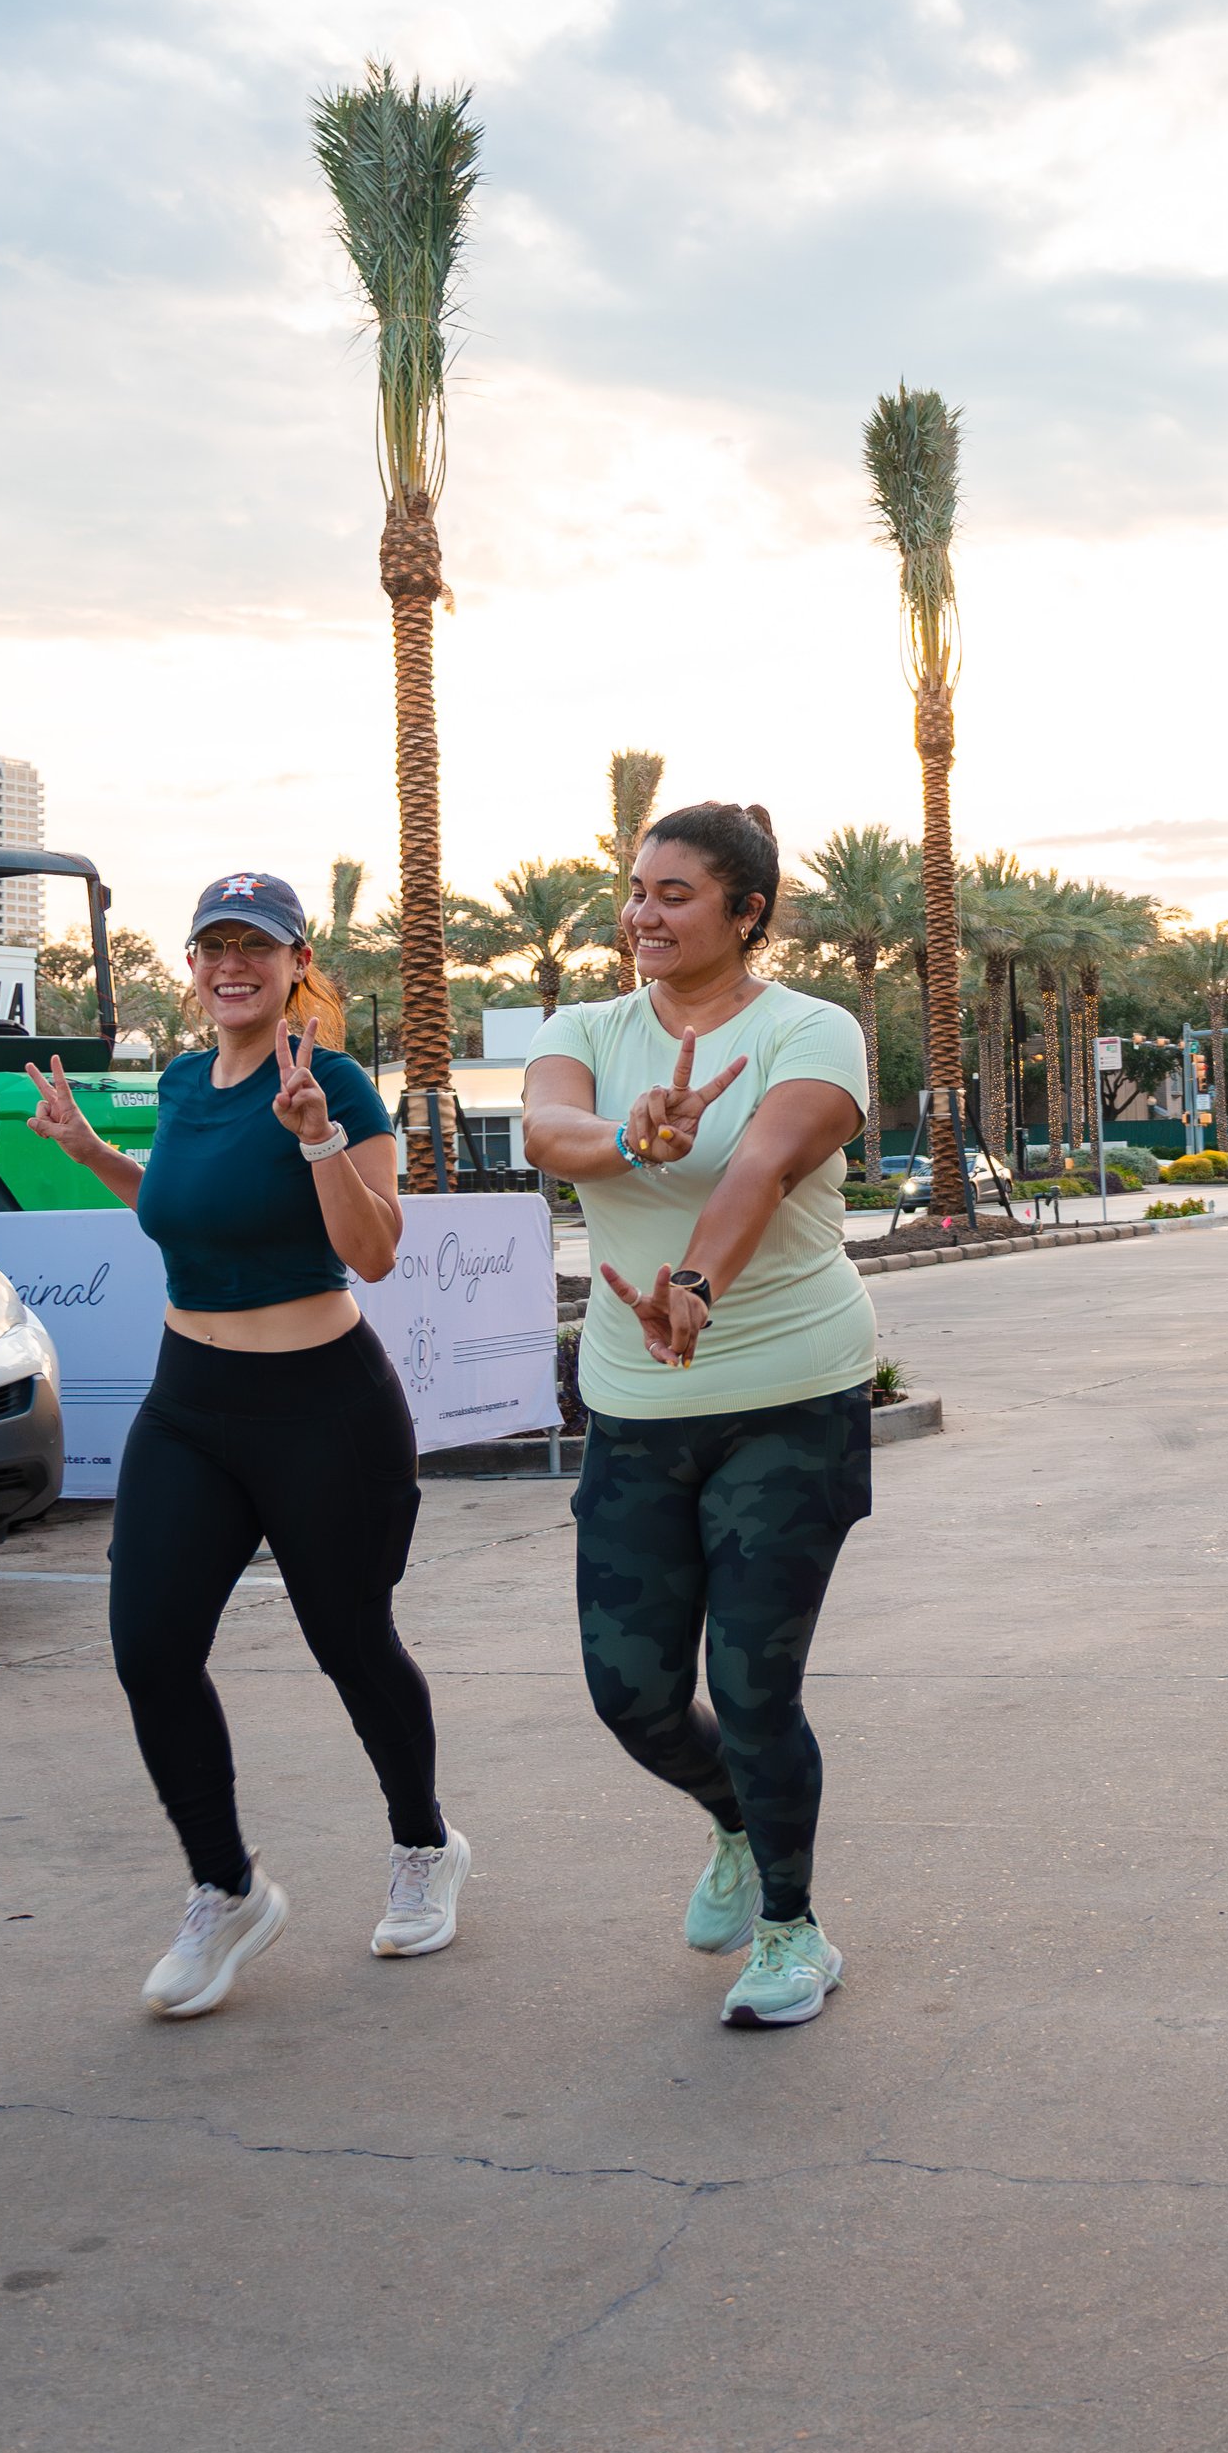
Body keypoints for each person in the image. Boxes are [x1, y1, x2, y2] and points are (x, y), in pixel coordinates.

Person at [26, 871, 468, 2018]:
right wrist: (87, 1151)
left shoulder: (337, 1086)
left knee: (352, 1643)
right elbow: (182, 1210)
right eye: (213, 944)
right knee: (149, 1646)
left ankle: (424, 1847)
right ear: (192, 965)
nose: (233, 963)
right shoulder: (182, 1082)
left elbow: (372, 1253)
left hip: (324, 1405)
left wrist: (319, 1140)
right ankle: (226, 1891)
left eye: (255, 946)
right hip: (189, 1404)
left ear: (295, 964)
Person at [521, 801, 874, 2030]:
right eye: (637, 889)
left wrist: (694, 1285)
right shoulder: (588, 1028)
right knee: (633, 1692)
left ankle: (791, 1930)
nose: (643, 914)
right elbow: (547, 1128)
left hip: (788, 1399)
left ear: (747, 913)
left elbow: (762, 1163)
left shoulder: (811, 1030)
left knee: (753, 1684)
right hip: (633, 1408)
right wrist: (626, 1130)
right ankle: (731, 1818)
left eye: (675, 894)